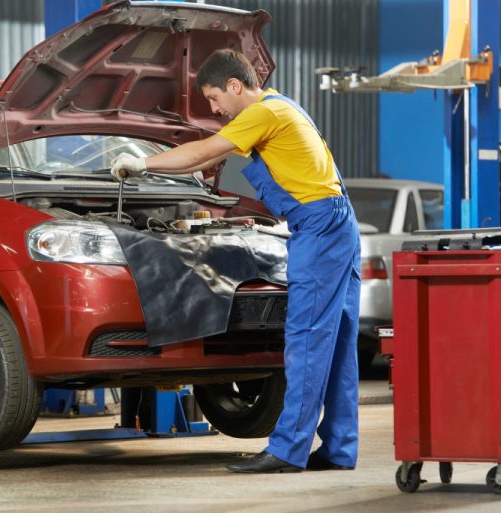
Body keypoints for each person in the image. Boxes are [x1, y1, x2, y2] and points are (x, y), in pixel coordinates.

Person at [110, 49, 361, 474]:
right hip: (339, 223)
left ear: (234, 85)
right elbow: (208, 158)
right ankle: (338, 448)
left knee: (306, 339)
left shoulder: (263, 113)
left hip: (318, 229)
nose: (214, 110)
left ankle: (287, 450)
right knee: (337, 343)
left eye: (213, 99)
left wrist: (140, 163)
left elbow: (200, 151)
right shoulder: (283, 106)